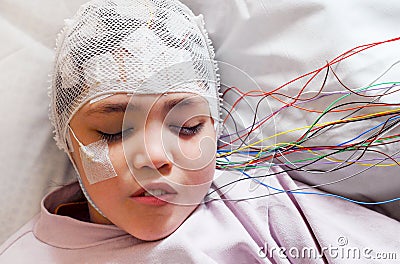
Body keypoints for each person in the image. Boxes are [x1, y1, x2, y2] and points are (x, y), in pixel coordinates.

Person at [0, 0, 399, 263]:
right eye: (113, 133)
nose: (156, 158)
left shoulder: (262, 208)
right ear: (66, 141)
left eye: (188, 128)